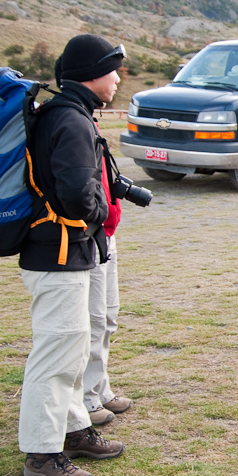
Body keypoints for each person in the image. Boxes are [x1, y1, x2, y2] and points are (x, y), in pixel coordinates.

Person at [19, 34, 127, 476]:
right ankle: (43, 453)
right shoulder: (72, 122)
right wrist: (102, 210)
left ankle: (74, 429)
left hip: (62, 252)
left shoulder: (64, 114)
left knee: (73, 347)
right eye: (112, 70)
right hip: (58, 253)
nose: (118, 79)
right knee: (56, 354)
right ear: (91, 75)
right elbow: (78, 196)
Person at [83, 136, 133, 425]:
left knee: (108, 317)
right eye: (113, 83)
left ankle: (100, 389)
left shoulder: (90, 121)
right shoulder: (71, 120)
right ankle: (86, 399)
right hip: (91, 236)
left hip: (107, 234)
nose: (116, 86)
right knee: (94, 320)